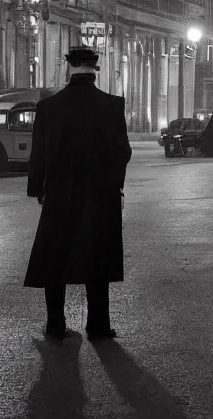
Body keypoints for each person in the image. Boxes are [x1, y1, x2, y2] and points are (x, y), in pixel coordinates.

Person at [24, 46, 132, 341]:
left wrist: (38, 189)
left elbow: (39, 155)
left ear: (69, 67)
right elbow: (122, 152)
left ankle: (55, 325)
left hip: (59, 193)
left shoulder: (49, 107)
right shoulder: (112, 106)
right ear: (95, 69)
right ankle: (98, 326)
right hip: (100, 193)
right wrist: (115, 185)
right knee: (97, 256)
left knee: (55, 257)